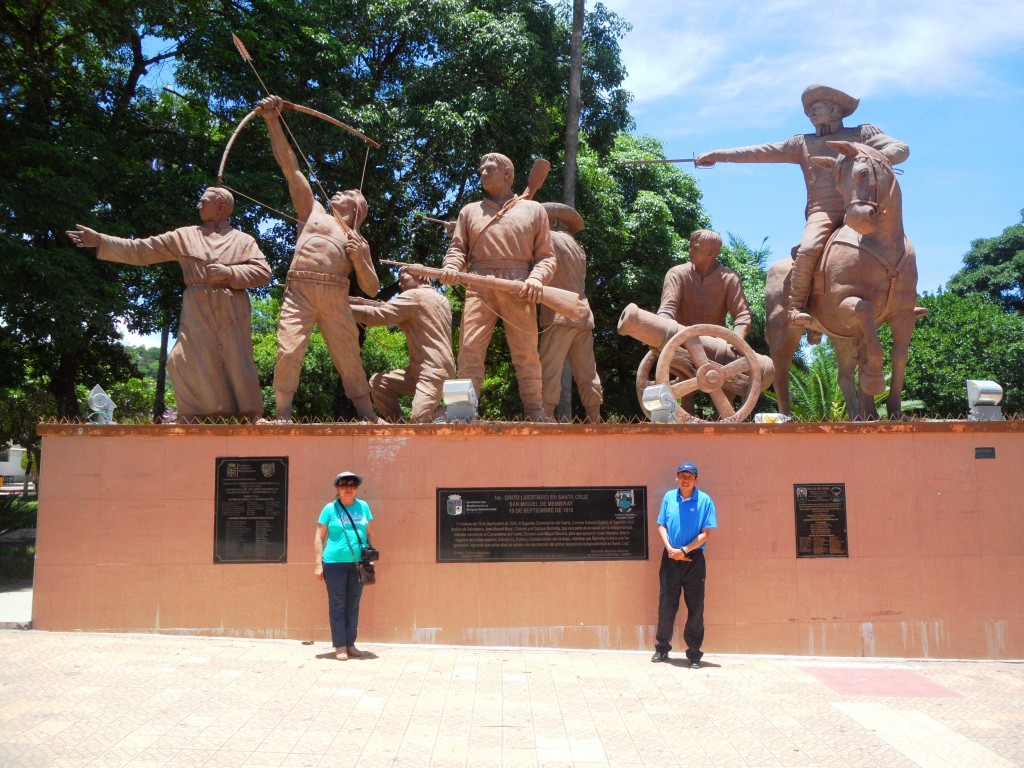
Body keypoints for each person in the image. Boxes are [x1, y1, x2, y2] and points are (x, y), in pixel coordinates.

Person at [696, 84, 910, 326]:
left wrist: (866, 157)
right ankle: (797, 305)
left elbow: (901, 149)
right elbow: (760, 152)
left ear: (834, 108)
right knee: (809, 248)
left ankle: (904, 300)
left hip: (862, 205)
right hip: (823, 211)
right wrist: (717, 154)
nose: (810, 115)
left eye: (815, 108)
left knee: (894, 241)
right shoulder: (801, 144)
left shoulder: (861, 135)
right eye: (808, 111)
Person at [66, 187, 271, 422]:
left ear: (221, 207)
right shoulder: (185, 236)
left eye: (204, 201)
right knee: (183, 359)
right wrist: (101, 240)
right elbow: (141, 250)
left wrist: (229, 272)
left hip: (231, 305)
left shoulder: (243, 240)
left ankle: (250, 414)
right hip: (197, 305)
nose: (198, 205)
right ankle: (198, 414)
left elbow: (263, 273)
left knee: (237, 358)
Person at [256, 95, 382, 422]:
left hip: (336, 294)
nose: (337, 194)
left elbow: (370, 288)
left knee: (349, 357)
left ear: (357, 208)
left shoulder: (357, 239)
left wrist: (359, 258)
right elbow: (290, 167)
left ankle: (367, 415)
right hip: (299, 290)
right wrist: (273, 120)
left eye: (346, 194)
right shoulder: (312, 211)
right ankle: (283, 414)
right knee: (288, 350)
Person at [438, 153, 556, 422]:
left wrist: (536, 278)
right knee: (469, 349)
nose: (483, 173)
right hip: (478, 285)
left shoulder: (534, 210)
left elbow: (546, 257)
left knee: (526, 352)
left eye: (490, 169)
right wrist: (452, 267)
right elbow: (457, 249)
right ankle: (463, 411)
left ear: (507, 175)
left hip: (518, 286)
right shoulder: (469, 211)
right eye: (481, 170)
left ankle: (535, 410)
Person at [657, 229, 774, 410]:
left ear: (712, 253)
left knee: (726, 382)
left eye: (695, 249)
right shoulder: (677, 274)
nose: (690, 251)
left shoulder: (729, 279)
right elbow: (667, 310)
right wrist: (658, 329)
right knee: (683, 394)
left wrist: (735, 342)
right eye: (691, 247)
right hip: (680, 347)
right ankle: (677, 424)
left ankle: (723, 426)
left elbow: (742, 316)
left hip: (717, 352)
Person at [349, 268, 456, 423]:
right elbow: (399, 315)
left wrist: (343, 308)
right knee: (379, 383)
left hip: (432, 371)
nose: (399, 283)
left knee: (419, 419)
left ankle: (454, 414)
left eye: (402, 277)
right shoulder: (441, 300)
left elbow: (378, 315)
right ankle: (398, 428)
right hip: (424, 369)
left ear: (419, 275)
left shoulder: (414, 296)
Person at [538, 203, 603, 422]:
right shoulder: (578, 248)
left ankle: (543, 417)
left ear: (553, 222)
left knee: (549, 369)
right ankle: (595, 417)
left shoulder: (549, 240)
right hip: (582, 314)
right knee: (587, 371)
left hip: (559, 313)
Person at [652, 462, 717, 668]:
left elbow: (706, 534)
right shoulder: (669, 498)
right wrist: (671, 549)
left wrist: (684, 551)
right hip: (670, 558)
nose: (685, 479)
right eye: (682, 475)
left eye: (690, 476)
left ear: (696, 479)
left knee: (696, 608)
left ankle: (694, 654)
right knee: (666, 605)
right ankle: (662, 649)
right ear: (676, 478)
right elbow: (661, 525)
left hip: (693, 560)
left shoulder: (705, 500)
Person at [315, 470, 373, 661]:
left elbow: (369, 533)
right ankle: (339, 646)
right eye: (344, 485)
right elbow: (318, 537)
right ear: (338, 488)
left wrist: (369, 556)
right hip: (334, 564)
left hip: (357, 564)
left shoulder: (363, 507)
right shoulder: (330, 509)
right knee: (338, 604)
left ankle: (350, 644)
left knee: (353, 604)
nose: (349, 488)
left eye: (352, 485)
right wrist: (318, 564)